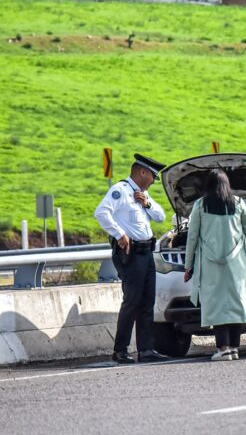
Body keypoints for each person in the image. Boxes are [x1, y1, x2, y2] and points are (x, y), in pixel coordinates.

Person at [94, 153, 170, 364]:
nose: (154, 181)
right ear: (142, 172)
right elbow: (102, 212)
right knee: (132, 302)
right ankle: (121, 350)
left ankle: (146, 349)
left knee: (147, 302)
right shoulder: (120, 191)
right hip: (131, 254)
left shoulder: (141, 194)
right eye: (153, 176)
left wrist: (147, 204)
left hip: (147, 253)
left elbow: (161, 216)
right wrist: (120, 234)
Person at [182, 169, 246, 362]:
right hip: (237, 263)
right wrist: (242, 251)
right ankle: (233, 347)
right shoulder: (239, 203)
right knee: (236, 303)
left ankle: (222, 347)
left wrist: (188, 264)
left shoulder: (200, 205)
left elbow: (192, 237)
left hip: (210, 263)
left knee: (216, 304)